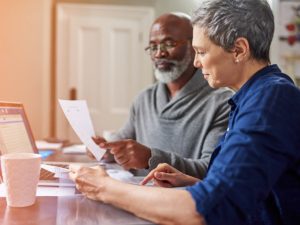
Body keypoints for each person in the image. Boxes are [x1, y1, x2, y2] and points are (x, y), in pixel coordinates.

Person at [70, 0, 300, 224]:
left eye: (201, 52)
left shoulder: (270, 100)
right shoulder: (252, 97)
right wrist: (190, 182)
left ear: (239, 50)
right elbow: (242, 189)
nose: (197, 63)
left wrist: (104, 188)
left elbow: (209, 209)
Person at [91, 12, 232, 178]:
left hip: (181, 201)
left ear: (194, 47)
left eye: (169, 43)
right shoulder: (144, 99)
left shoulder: (222, 102)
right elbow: (122, 145)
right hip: (135, 196)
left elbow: (211, 169)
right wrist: (105, 150)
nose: (159, 54)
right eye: (153, 46)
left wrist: (151, 158)